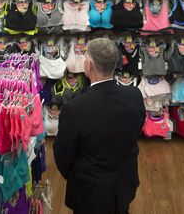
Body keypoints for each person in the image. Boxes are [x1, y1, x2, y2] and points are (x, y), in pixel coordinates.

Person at [53, 38, 146, 214]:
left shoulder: (74, 109)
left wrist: (77, 176)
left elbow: (63, 155)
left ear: (88, 66)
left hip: (89, 191)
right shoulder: (134, 95)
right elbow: (135, 130)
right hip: (124, 185)